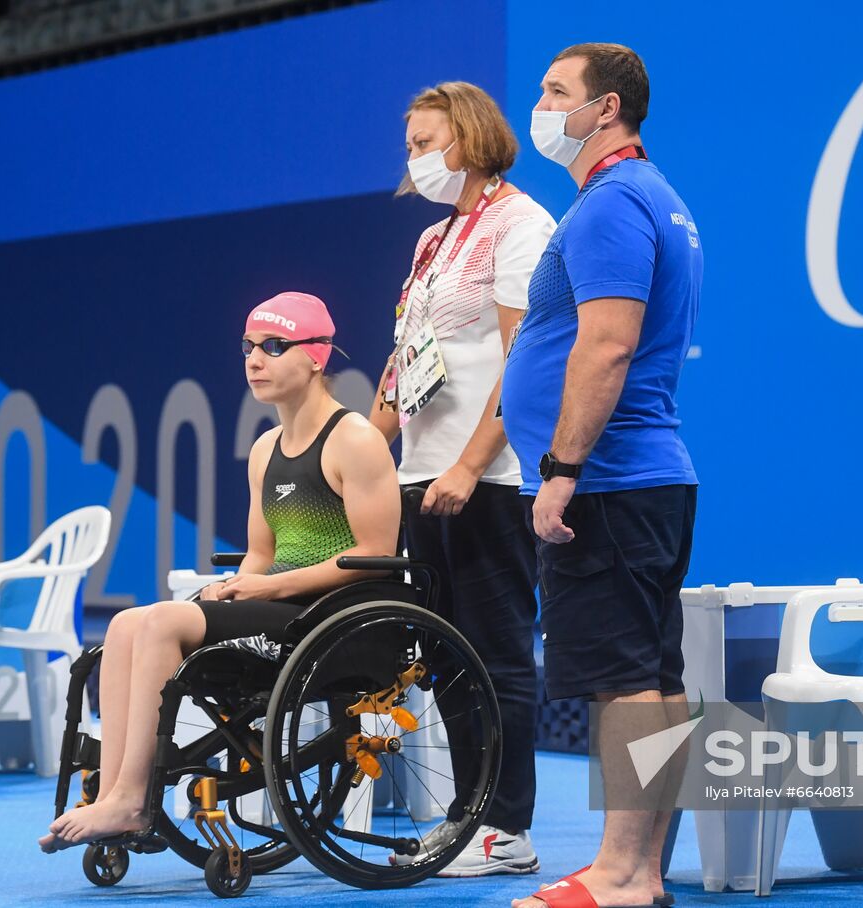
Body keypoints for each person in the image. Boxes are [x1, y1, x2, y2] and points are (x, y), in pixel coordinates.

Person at [40, 291, 400, 852]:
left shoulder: (356, 439)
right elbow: (260, 553)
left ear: (317, 356)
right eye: (249, 347)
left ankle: (135, 800)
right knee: (125, 626)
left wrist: (269, 584)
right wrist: (229, 590)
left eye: (274, 346)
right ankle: (113, 792)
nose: (255, 359)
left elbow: (375, 554)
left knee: (161, 624)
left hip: (340, 622)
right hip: (282, 609)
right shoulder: (265, 450)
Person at [501, 44, 702, 908]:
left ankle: (619, 871)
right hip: (642, 479)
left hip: (609, 481)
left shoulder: (613, 202)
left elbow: (608, 342)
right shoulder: (653, 197)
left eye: (557, 92)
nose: (541, 105)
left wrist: (561, 469)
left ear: (607, 108)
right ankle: (641, 869)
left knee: (625, 678)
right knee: (652, 677)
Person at [369, 80, 556, 877]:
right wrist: (365, 450)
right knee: (444, 656)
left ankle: (508, 827)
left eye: (424, 143)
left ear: (470, 141)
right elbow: (404, 364)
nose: (413, 158)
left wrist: (472, 463)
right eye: (409, 144)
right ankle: (467, 813)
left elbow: (529, 364)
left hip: (491, 479)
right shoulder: (431, 242)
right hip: (420, 476)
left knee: (498, 655)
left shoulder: (522, 224)